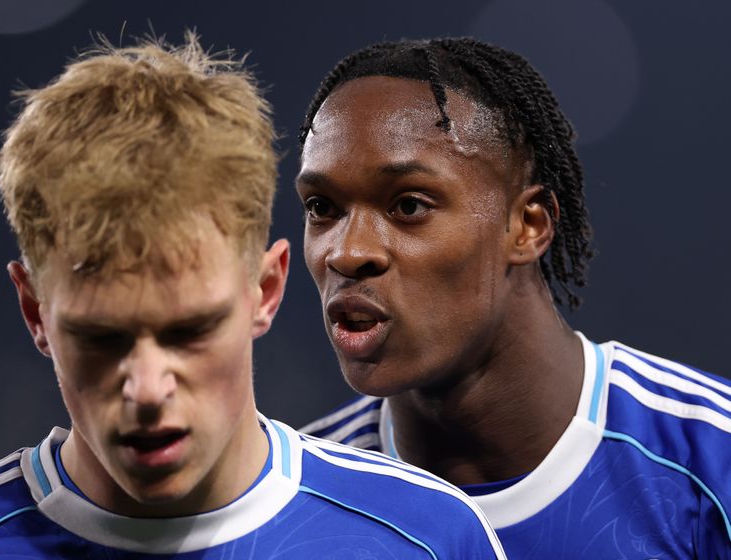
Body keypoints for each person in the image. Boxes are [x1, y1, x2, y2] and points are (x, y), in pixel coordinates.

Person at [0, 35, 506, 559]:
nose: (149, 391)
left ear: (265, 291)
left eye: (189, 331)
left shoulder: (426, 541)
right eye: (101, 339)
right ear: (36, 313)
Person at [296, 37, 731, 559]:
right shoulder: (299, 498)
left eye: (408, 206)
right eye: (322, 207)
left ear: (527, 226)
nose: (347, 252)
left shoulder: (710, 462)